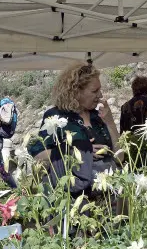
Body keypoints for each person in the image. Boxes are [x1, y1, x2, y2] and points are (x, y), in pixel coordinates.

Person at [28, 63, 120, 197]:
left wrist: (110, 122)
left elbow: (120, 156)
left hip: (108, 195)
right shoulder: (56, 117)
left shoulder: (97, 117)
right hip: (76, 197)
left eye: (100, 90)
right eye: (94, 91)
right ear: (75, 91)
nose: (100, 95)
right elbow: (38, 155)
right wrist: (75, 151)